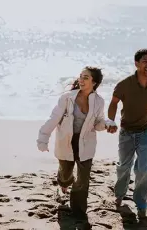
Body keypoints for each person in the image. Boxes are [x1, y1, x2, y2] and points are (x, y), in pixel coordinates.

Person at [36, 66, 108, 223]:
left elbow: (98, 123)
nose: (81, 80)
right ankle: (63, 182)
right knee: (66, 173)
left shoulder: (99, 101)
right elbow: (54, 118)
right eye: (81, 76)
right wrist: (43, 138)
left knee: (83, 179)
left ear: (94, 82)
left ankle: (78, 209)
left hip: (86, 143)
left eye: (86, 77)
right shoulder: (67, 98)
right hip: (66, 141)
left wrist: (107, 124)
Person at [107, 49, 147, 218]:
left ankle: (141, 203)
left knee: (143, 169)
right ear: (136, 63)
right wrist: (110, 121)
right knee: (124, 166)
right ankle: (119, 195)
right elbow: (113, 103)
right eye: (145, 61)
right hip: (127, 132)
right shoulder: (124, 84)